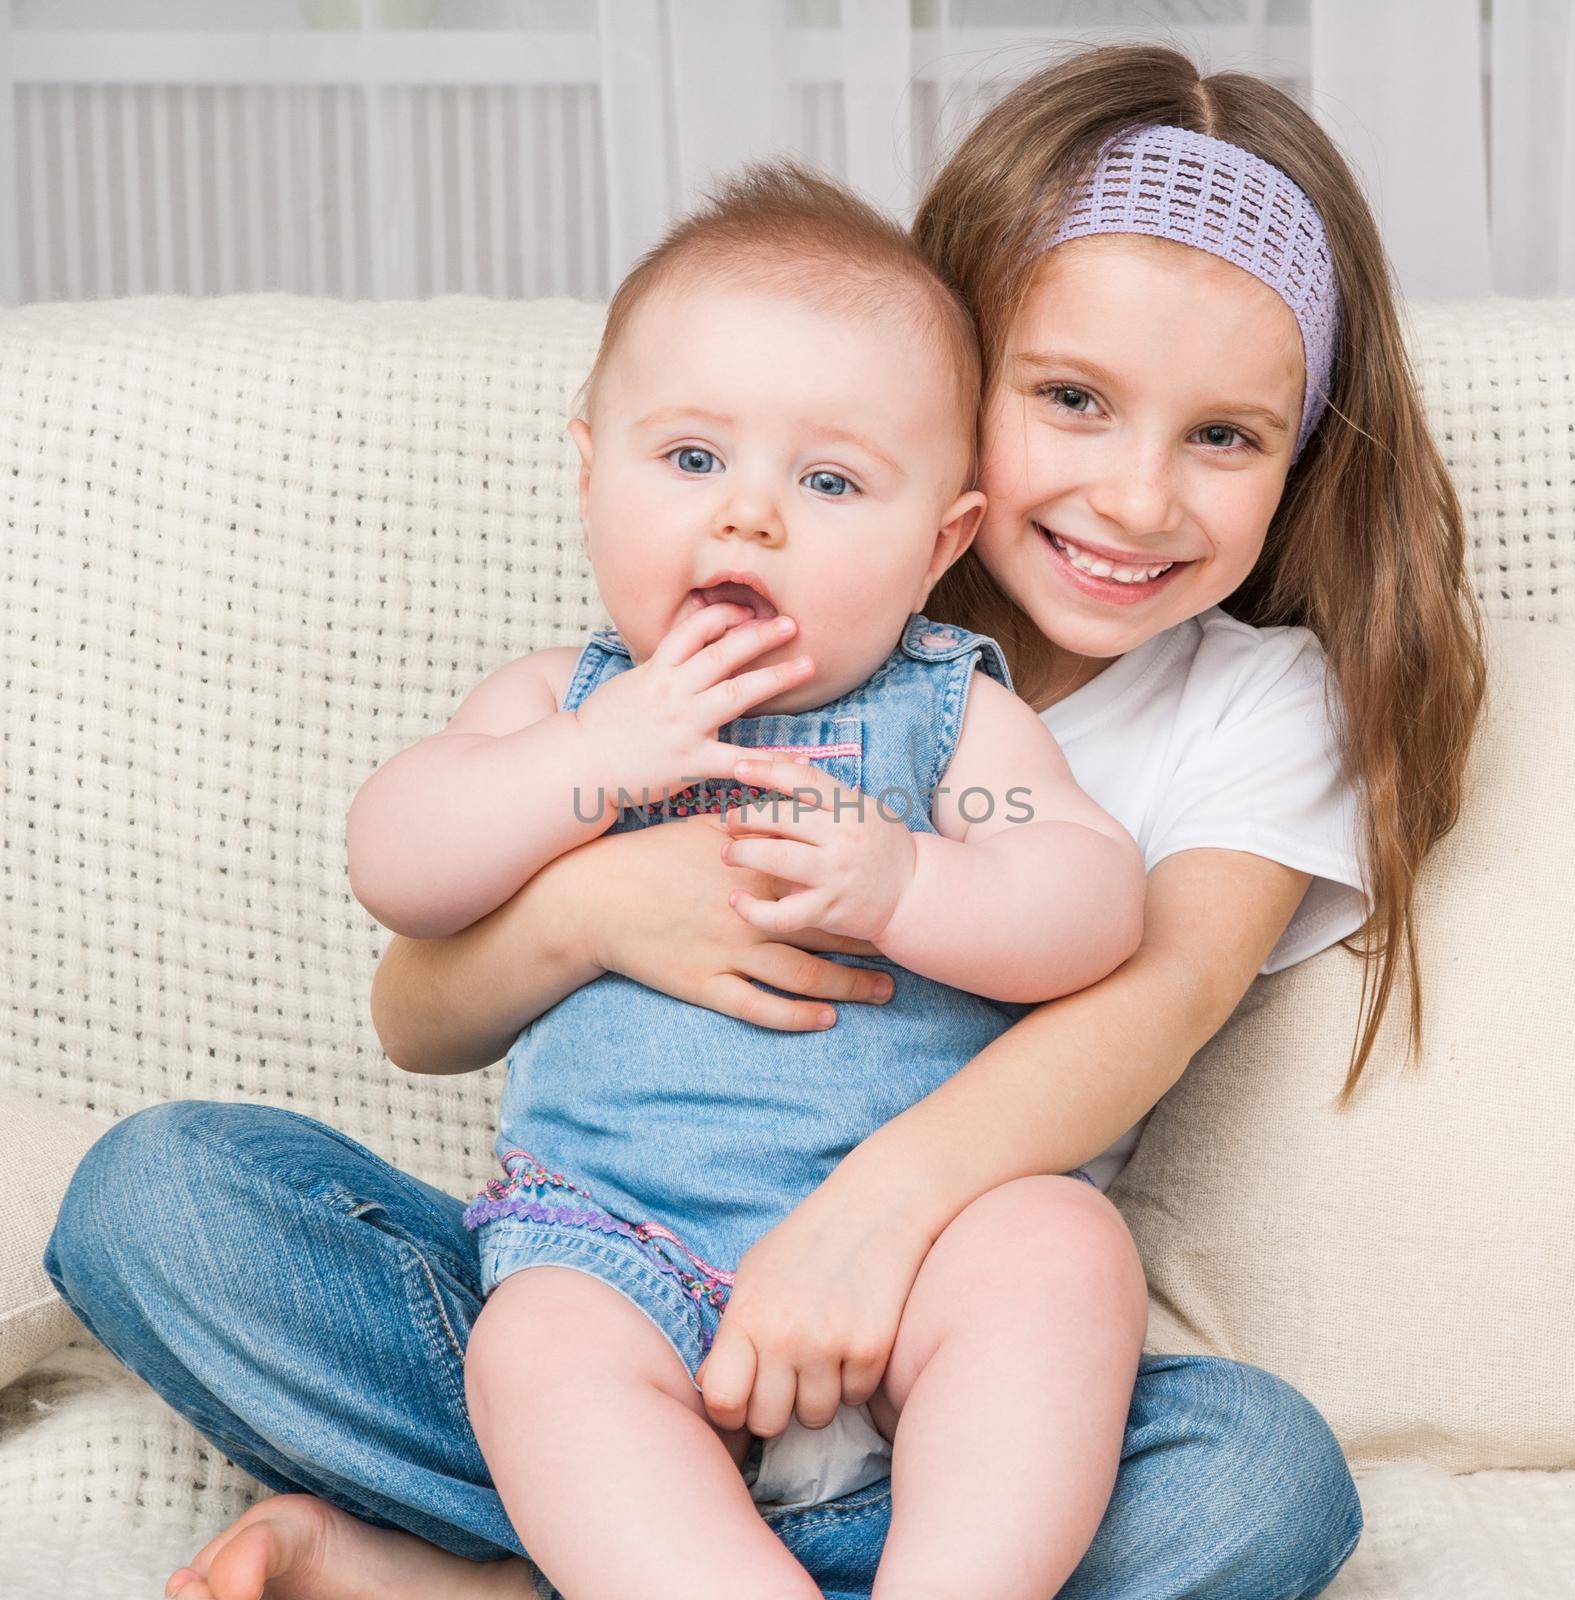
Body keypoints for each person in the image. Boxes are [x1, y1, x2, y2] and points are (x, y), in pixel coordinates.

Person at [44, 40, 1486, 1600]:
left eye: (1225, 436)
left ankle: (538, 1574)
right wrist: (604, 893)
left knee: (1256, 1474)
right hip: (616, 1273)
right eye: (1071, 398)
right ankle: (656, 1543)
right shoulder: (634, 678)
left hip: (935, 1351)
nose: (1137, 498)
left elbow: (1133, 965)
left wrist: (901, 913)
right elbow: (415, 991)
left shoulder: (1076, 712)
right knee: (167, 1201)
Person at [343, 156, 1148, 1600]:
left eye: (831, 481)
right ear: (592, 477)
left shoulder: (951, 715)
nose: (750, 518)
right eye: (693, 459)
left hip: (907, 1272)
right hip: (615, 1252)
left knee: (1066, 1249)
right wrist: (598, 760)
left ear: (936, 546)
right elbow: (396, 861)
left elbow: (1092, 896)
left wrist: (912, 887)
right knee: (531, 1350)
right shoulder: (559, 705)